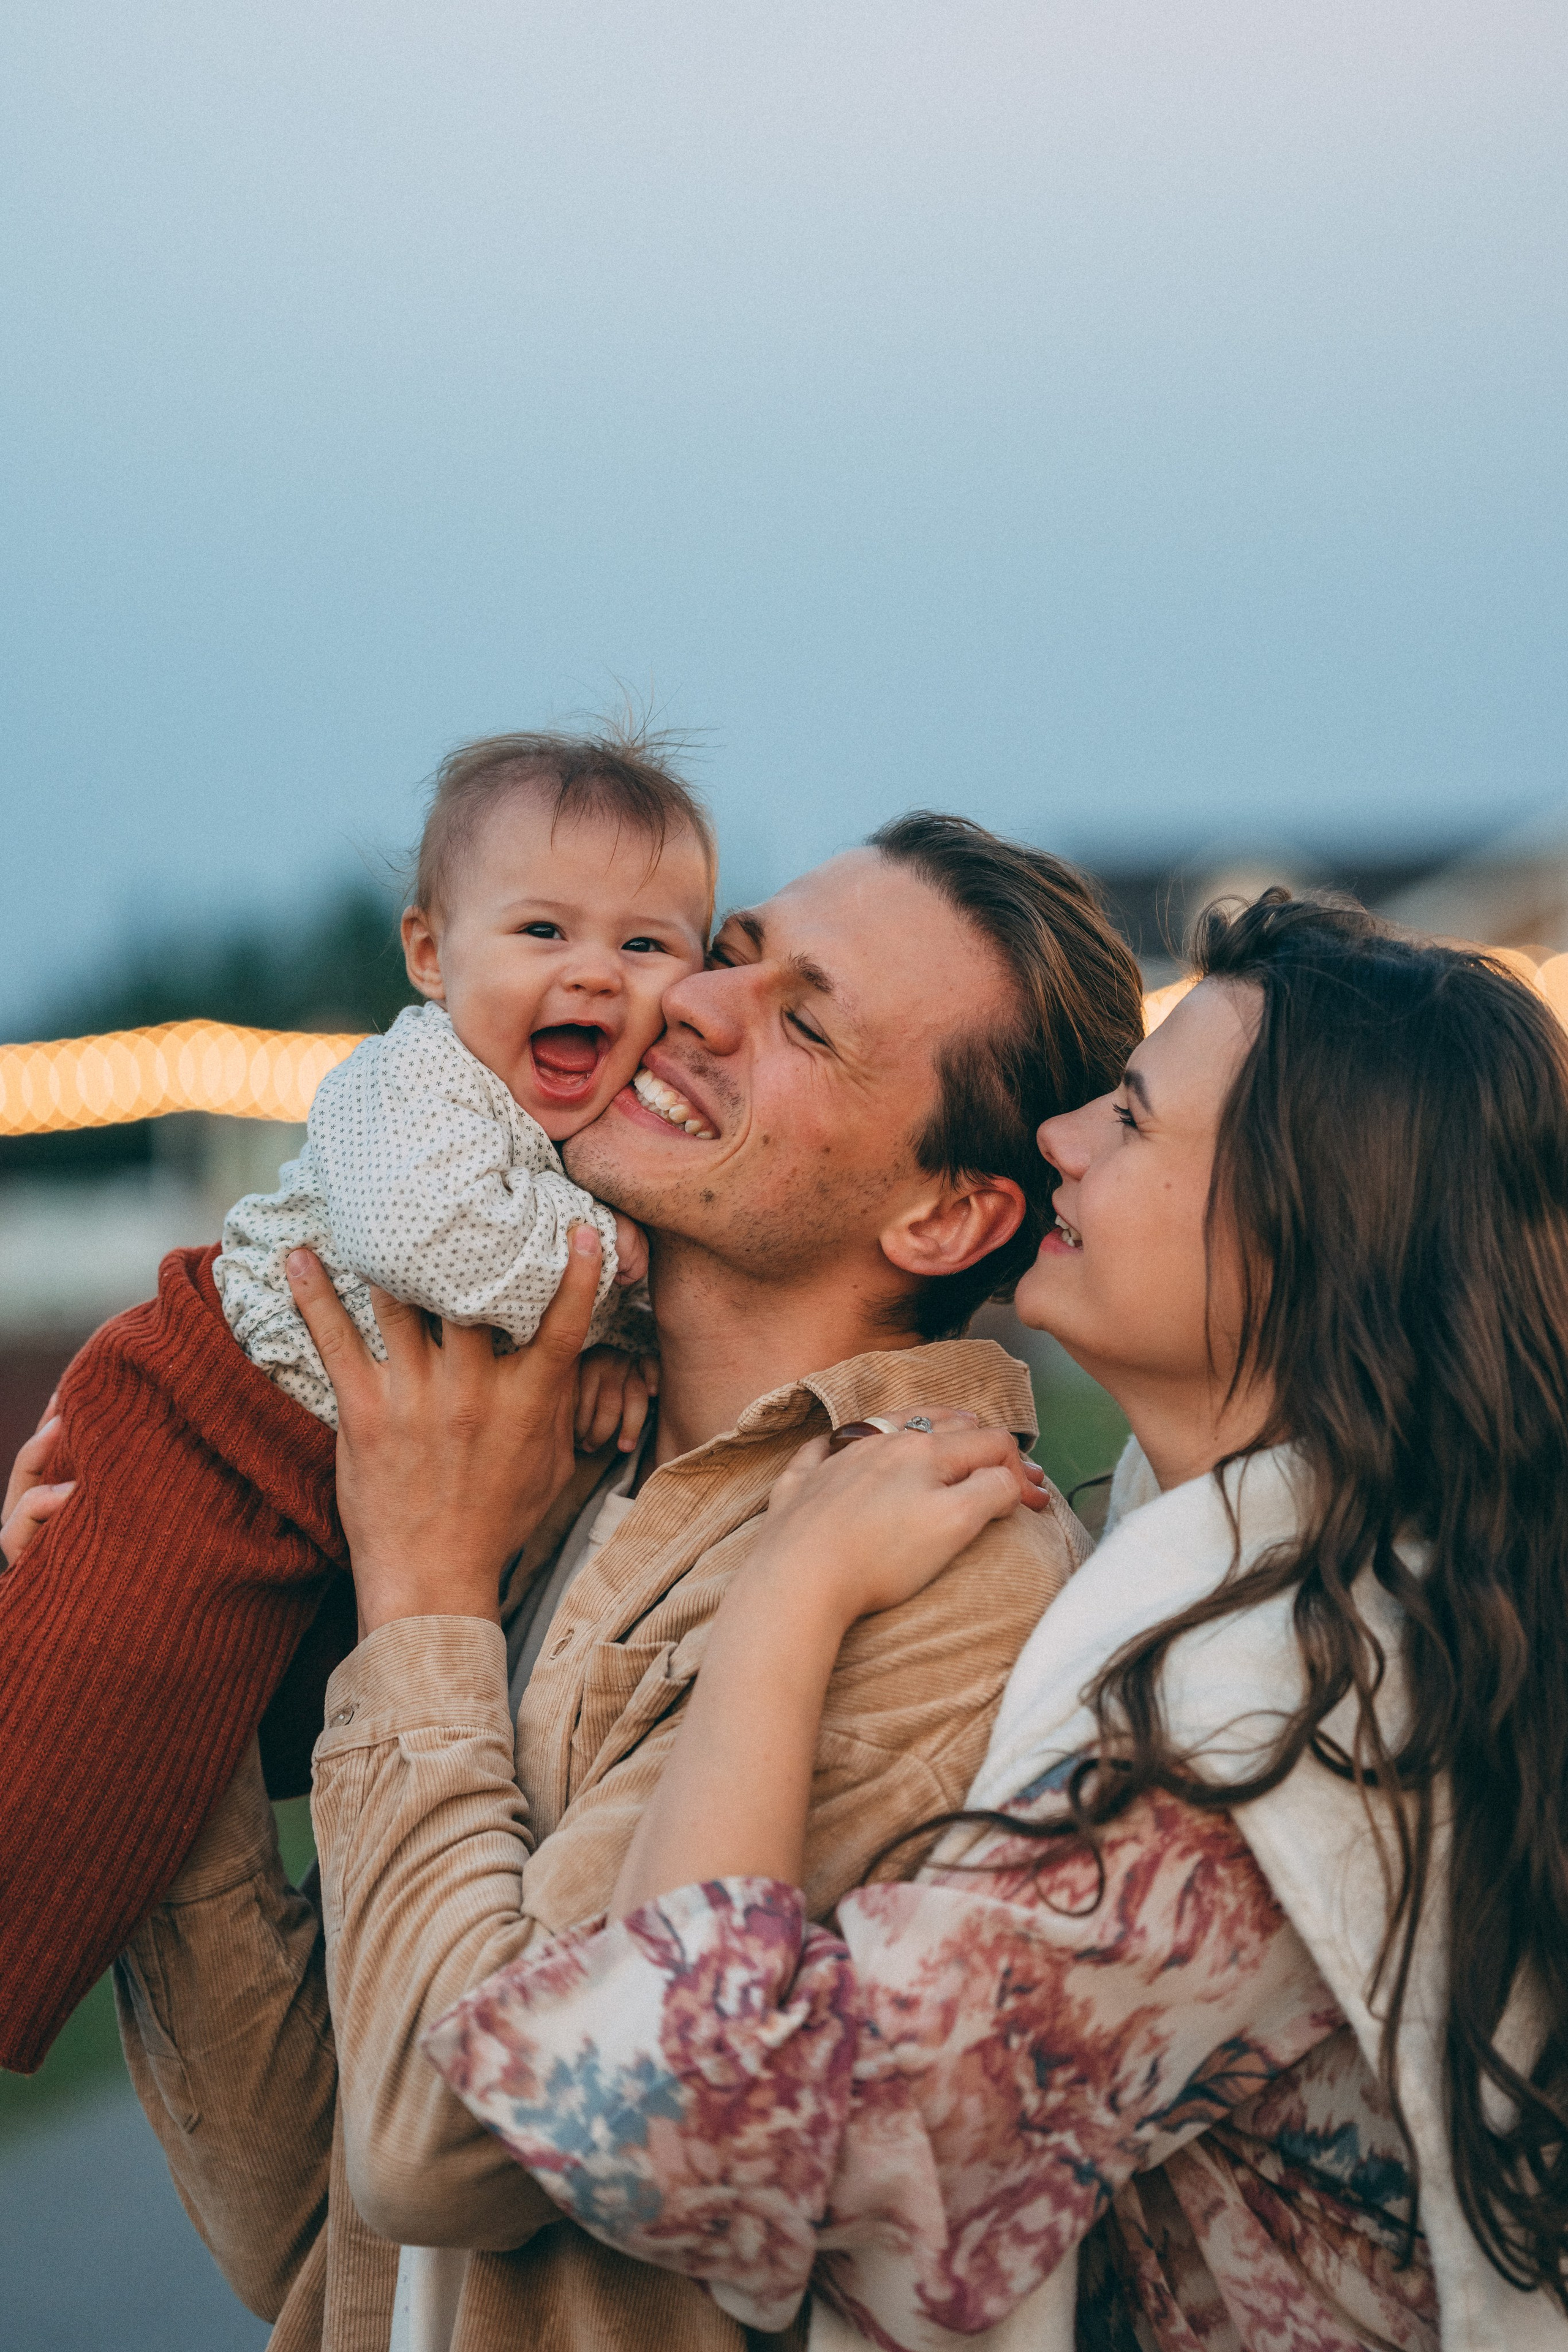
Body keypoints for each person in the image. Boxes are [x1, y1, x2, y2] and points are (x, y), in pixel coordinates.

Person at [10, 815, 1147, 2351]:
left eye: (801, 1019)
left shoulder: (939, 1582)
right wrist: (145, 1612)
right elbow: (313, 2220)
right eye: (734, 950)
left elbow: (448, 2149)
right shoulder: (552, 1447)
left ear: (941, 1215)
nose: (687, 1001)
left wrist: (424, 1585)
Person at [409, 894, 1568, 2350]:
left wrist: (785, 1598)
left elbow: (675, 2135)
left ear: (1295, 1246)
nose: (1064, 1137)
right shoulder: (1332, 1604)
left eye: (1134, 1122)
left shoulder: (1243, 1749)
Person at [0, 728, 714, 2073]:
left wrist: (606, 1352)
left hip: (331, 1477)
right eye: (544, 928)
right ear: (432, 957)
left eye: (645, 946)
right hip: (217, 1411)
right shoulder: (417, 1081)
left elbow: (523, 1320)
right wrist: (620, 1284)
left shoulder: (596, 1135)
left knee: (186, 1755)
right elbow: (420, 1237)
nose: (591, 973)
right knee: (69, 1736)